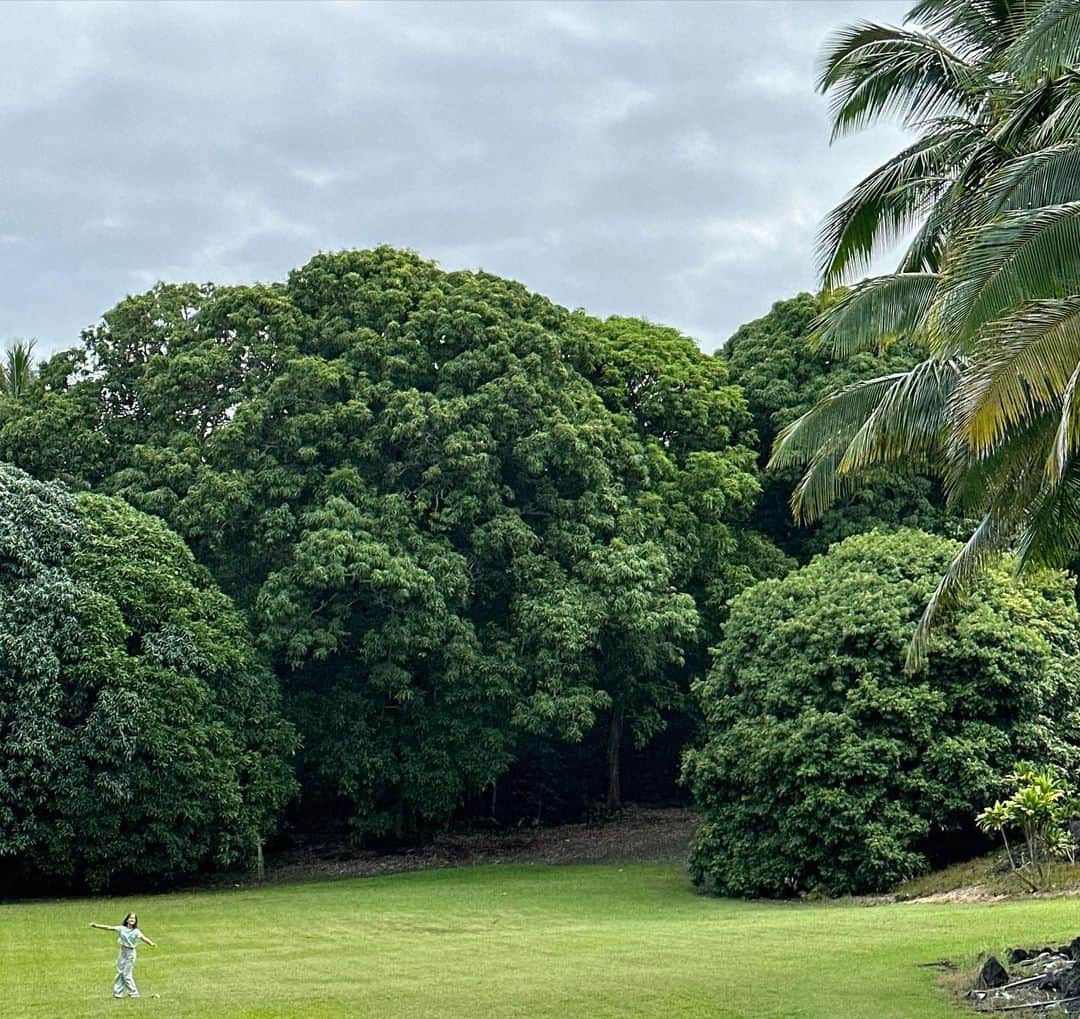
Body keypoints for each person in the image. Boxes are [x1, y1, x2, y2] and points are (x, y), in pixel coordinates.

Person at [90, 913, 156, 999]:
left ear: (135, 921)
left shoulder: (136, 931)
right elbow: (109, 928)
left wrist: (151, 943)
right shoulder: (121, 928)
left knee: (126, 974)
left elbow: (143, 938)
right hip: (122, 952)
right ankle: (118, 993)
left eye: (134, 918)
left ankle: (134, 993)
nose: (132, 919)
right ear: (127, 920)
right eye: (130, 918)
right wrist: (96, 926)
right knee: (120, 972)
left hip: (130, 953)